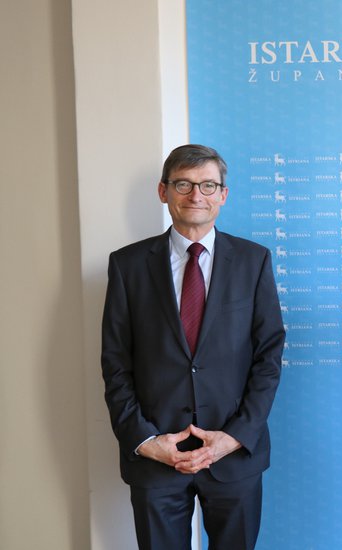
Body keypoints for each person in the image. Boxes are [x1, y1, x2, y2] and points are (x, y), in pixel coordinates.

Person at [101, 144, 285, 550]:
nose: (196, 195)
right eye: (183, 184)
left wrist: (235, 436)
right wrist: (146, 441)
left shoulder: (253, 261)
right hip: (156, 455)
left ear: (223, 194)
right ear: (163, 191)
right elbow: (115, 363)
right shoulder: (128, 265)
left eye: (208, 185)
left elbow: (268, 358)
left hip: (233, 454)